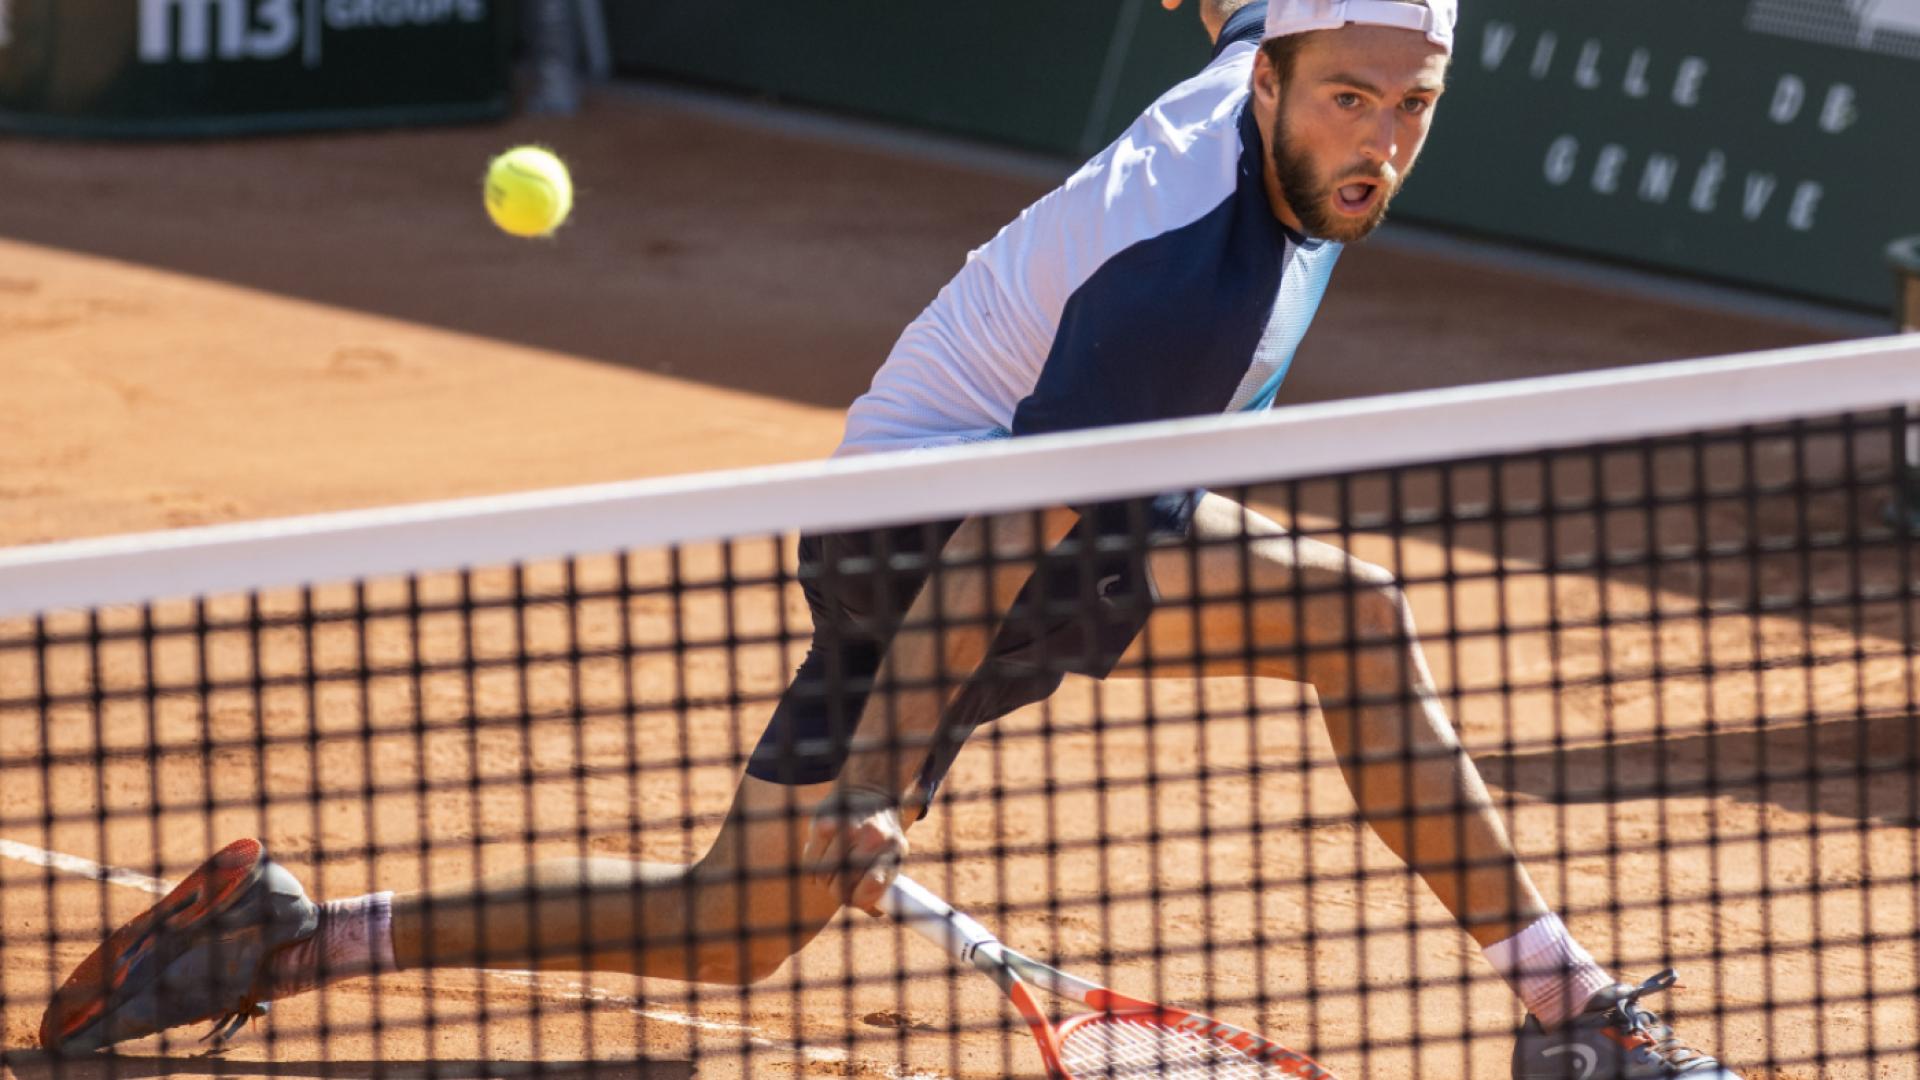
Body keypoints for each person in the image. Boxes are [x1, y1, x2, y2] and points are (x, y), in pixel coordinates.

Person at [41, 3, 1741, 1076]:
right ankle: (1573, 1019)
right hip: (938, 524)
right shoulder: (1182, 286)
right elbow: (1010, 530)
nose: (1376, 141)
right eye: (1350, 100)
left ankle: (298, 935)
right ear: (1277, 80)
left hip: (966, 489)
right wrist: (878, 769)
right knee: (1352, 618)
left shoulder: (1265, 68)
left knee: (732, 923)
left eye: (1411, 106)